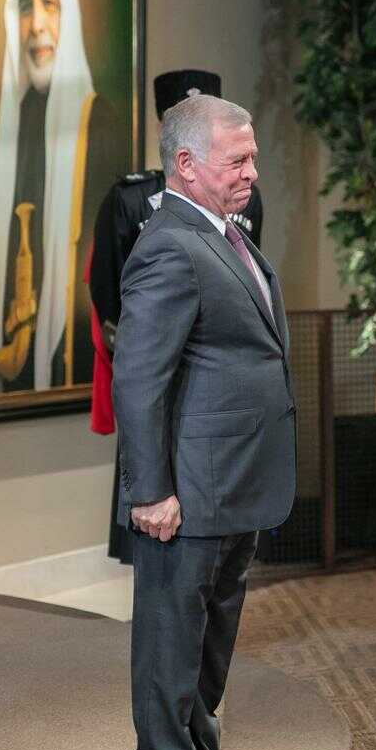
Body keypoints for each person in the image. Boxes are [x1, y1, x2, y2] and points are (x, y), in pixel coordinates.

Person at [114, 94, 295, 750]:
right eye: (238, 159)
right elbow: (140, 378)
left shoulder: (224, 234)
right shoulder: (168, 244)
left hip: (232, 490)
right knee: (170, 654)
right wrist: (151, 492)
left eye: (253, 157)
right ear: (186, 165)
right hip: (187, 497)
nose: (252, 172)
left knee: (207, 655)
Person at [88, 70, 264, 563]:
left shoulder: (245, 198)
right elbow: (110, 299)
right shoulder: (131, 198)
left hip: (226, 417)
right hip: (165, 385)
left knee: (219, 573)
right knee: (170, 563)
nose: (249, 172)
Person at [0, 0, 121, 393]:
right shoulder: (14, 121)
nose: (37, 26)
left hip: (74, 356)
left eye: (49, 4)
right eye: (26, 7)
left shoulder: (98, 122)